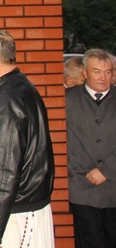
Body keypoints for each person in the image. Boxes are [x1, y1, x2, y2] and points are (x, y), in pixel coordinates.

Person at [0, 30, 54, 248]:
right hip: (17, 209)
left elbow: (4, 172)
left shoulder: (5, 102)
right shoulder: (19, 87)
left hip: (13, 216)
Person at [66, 48, 116, 247]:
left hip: (113, 188)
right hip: (81, 187)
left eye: (108, 72)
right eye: (97, 71)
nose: (103, 78)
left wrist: (106, 170)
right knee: (90, 240)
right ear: (85, 73)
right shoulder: (67, 99)